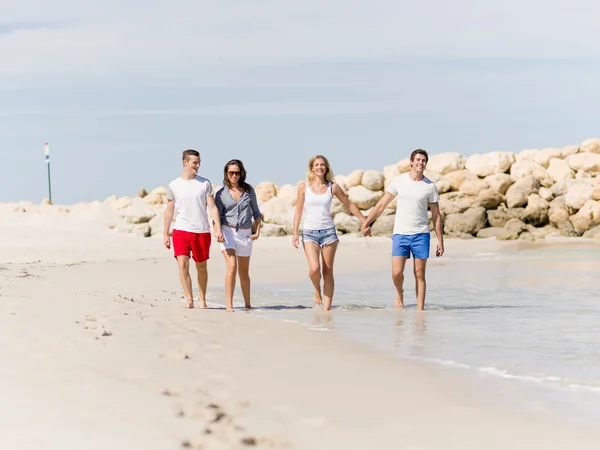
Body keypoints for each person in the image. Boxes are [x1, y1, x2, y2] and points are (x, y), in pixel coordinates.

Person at [361, 149, 444, 311]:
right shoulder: (399, 181)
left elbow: (436, 215)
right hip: (400, 234)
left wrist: (440, 240)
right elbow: (381, 205)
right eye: (418, 160)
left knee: (420, 274)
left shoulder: (430, 186)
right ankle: (399, 293)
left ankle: (420, 311)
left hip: (421, 235)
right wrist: (367, 222)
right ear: (411, 162)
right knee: (396, 273)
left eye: (423, 161)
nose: (421, 163)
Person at [292, 155, 370, 311]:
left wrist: (365, 221)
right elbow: (299, 210)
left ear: (326, 168)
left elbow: (348, 204)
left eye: (322, 165)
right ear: (312, 168)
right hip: (309, 233)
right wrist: (294, 233)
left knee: (327, 272)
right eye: (317, 165)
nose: (320, 167)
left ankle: (327, 310)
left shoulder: (332, 187)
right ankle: (316, 289)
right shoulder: (303, 187)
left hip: (328, 233)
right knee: (315, 269)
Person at [163, 149, 224, 309]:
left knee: (201, 266)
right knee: (182, 264)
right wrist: (165, 233)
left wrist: (217, 228)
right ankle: (189, 299)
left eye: (199, 162)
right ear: (185, 162)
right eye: (195, 162)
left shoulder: (205, 183)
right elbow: (169, 210)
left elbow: (212, 207)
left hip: (201, 231)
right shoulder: (174, 185)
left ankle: (202, 299)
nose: (198, 165)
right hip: (181, 230)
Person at [215, 159, 262, 312]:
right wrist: (217, 231)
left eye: (237, 172)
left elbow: (256, 212)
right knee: (232, 266)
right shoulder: (221, 194)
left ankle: (248, 304)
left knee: (244, 272)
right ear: (226, 174)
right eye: (231, 173)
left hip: (245, 233)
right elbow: (216, 215)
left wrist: (258, 231)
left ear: (241, 173)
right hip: (227, 231)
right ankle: (229, 304)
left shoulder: (248, 191)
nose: (234, 175)